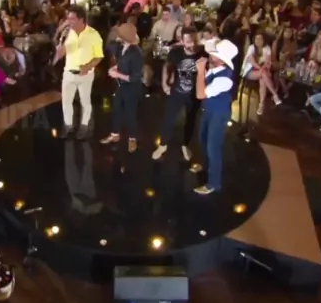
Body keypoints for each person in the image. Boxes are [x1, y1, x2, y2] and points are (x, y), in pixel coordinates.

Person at [193, 38, 238, 195]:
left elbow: (200, 94)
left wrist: (200, 71)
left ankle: (214, 183)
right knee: (203, 140)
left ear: (221, 60)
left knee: (213, 148)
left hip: (218, 114)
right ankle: (206, 167)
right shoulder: (214, 69)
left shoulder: (225, 79)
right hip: (208, 110)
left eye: (214, 55)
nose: (210, 56)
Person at [53, 4, 104, 139]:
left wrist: (87, 67)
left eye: (72, 19)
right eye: (68, 19)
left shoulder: (93, 35)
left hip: (85, 74)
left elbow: (99, 56)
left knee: (84, 101)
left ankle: (84, 127)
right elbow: (61, 53)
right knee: (66, 101)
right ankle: (68, 126)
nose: (68, 22)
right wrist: (61, 44)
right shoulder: (68, 34)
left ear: (81, 19)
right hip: (68, 72)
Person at [152, 28, 203, 162]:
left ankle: (185, 145)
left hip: (193, 95)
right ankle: (163, 145)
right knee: (169, 118)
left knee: (190, 120)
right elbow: (166, 66)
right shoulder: (176, 52)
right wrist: (164, 84)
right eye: (185, 41)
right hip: (177, 91)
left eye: (190, 41)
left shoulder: (201, 53)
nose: (188, 44)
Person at [101, 22, 144, 152]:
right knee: (116, 109)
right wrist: (115, 68)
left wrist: (117, 74)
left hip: (132, 88)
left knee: (130, 113)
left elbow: (135, 77)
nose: (116, 36)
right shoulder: (121, 48)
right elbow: (120, 63)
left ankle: (132, 138)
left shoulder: (136, 53)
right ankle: (115, 134)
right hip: (121, 86)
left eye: (119, 34)